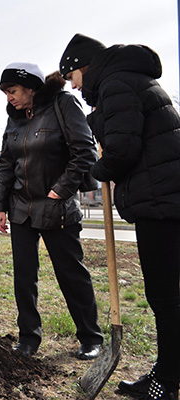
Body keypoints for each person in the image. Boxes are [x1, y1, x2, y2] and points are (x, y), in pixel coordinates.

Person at [60, 34, 180, 400]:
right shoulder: (129, 78)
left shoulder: (115, 84)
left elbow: (123, 149)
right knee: (168, 294)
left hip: (161, 200)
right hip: (165, 195)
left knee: (164, 296)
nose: (76, 88)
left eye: (74, 78)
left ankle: (167, 380)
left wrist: (99, 169)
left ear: (82, 65)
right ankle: (166, 370)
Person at [0, 62, 104, 360]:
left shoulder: (62, 104)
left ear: (31, 86)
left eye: (12, 91)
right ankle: (28, 337)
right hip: (21, 210)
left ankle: (90, 336)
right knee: (23, 278)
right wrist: (0, 207)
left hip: (58, 208)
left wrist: (61, 190)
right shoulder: (13, 119)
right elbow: (6, 165)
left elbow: (85, 151)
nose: (9, 98)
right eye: (5, 93)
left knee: (71, 274)